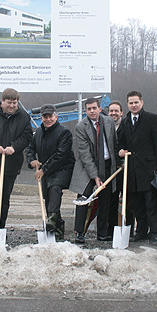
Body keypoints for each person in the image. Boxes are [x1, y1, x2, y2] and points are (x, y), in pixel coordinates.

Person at [0, 88, 33, 230]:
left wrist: (14, 147)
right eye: (9, 102)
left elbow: (27, 136)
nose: (12, 106)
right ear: (2, 102)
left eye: (15, 103)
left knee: (5, 194)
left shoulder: (24, 116)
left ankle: (1, 223)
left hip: (12, 162)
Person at [118, 91, 157, 243]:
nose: (134, 105)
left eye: (136, 102)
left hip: (149, 168)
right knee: (137, 204)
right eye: (131, 103)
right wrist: (121, 150)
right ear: (128, 105)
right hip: (132, 170)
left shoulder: (152, 119)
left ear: (142, 103)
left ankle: (153, 233)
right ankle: (141, 232)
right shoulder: (125, 122)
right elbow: (122, 142)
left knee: (150, 203)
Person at [69, 97, 118, 243]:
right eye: (89, 109)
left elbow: (114, 143)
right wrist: (95, 176)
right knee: (84, 199)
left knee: (105, 200)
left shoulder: (109, 122)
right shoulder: (80, 127)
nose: (92, 111)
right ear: (86, 111)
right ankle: (79, 232)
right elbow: (84, 154)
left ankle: (102, 233)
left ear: (100, 109)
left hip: (107, 164)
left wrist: (119, 161)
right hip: (87, 167)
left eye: (94, 108)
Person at [25, 104, 75, 239]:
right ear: (41, 118)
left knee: (54, 189)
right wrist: (32, 160)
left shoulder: (64, 132)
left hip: (62, 169)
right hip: (46, 171)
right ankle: (57, 230)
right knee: (48, 199)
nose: (48, 119)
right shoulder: (38, 133)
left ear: (56, 117)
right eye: (45, 117)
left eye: (50, 116)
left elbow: (61, 155)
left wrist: (43, 170)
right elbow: (29, 149)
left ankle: (51, 220)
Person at [107, 100, 134, 237]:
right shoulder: (106, 126)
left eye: (116, 111)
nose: (113, 113)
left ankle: (128, 231)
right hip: (112, 170)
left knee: (128, 202)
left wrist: (123, 160)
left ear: (121, 113)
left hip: (126, 169)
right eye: (111, 111)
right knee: (111, 201)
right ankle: (111, 231)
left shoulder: (127, 125)